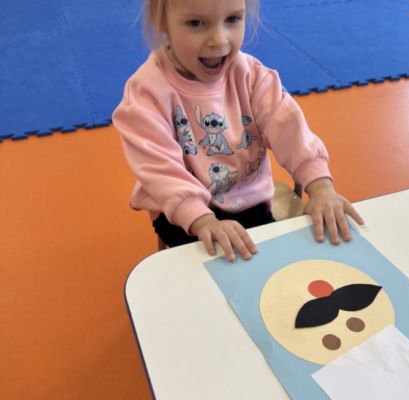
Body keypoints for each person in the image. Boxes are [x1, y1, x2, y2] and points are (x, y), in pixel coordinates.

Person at [112, 0, 364, 262]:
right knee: (212, 273)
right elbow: (160, 170)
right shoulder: (147, 93)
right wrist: (203, 221)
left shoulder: (251, 76)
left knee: (276, 264)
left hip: (250, 200)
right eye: (196, 23)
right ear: (162, 21)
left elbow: (290, 130)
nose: (219, 40)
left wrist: (320, 186)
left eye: (232, 19)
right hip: (180, 210)